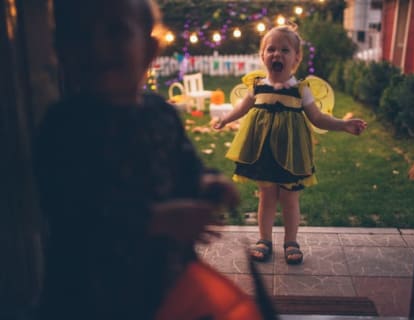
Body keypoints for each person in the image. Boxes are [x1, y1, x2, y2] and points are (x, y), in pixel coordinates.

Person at [33, 0, 264, 319]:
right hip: (91, 292)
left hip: (165, 281)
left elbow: (186, 167)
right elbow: (70, 209)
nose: (97, 46)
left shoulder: (160, 114)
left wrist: (206, 183)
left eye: (116, 31)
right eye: (80, 34)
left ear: (150, 50)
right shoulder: (65, 126)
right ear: (60, 50)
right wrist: (156, 219)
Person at [213, 24, 367, 265]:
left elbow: (318, 117)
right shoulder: (256, 86)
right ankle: (264, 239)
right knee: (266, 196)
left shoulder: (300, 89)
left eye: (285, 50)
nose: (277, 54)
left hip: (292, 153)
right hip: (263, 150)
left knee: (289, 198)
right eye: (271, 49)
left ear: (296, 58)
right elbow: (242, 108)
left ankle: (291, 241)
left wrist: (342, 124)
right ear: (262, 55)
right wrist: (225, 119)